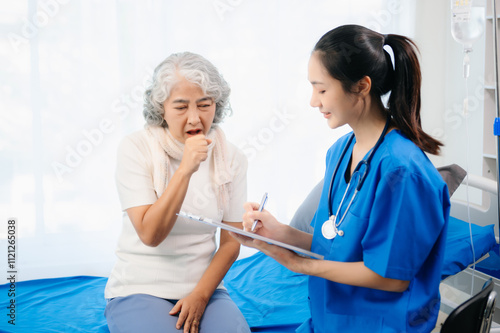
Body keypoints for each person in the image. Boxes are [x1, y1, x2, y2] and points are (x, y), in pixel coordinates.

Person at [231, 25, 450, 333]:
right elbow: (337, 246)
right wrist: (279, 234)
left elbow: (391, 277)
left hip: (378, 325)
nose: (313, 101)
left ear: (361, 86)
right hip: (327, 319)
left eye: (321, 90)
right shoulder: (339, 152)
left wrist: (299, 264)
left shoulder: (402, 171)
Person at [104, 52, 251, 333]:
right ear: (161, 109)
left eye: (204, 105)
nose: (195, 118)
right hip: (140, 287)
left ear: (216, 106)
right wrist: (185, 169)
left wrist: (201, 295)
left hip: (204, 288)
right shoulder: (135, 148)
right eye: (181, 107)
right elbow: (150, 235)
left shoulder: (231, 157)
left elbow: (231, 243)